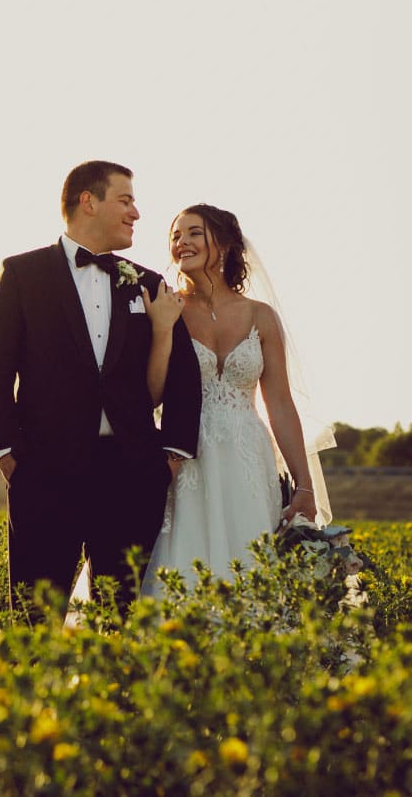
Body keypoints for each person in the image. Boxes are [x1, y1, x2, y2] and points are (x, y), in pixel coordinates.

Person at [0, 161, 202, 611]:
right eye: (125, 200)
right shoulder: (22, 275)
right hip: (43, 471)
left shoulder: (149, 284)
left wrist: (173, 453)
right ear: (88, 201)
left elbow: (183, 373)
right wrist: (7, 451)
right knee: (36, 615)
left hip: (131, 475)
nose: (136, 213)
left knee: (121, 615)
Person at [141, 204, 333, 593]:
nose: (182, 243)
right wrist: (162, 330)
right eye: (176, 236)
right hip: (186, 455)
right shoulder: (168, 308)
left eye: (194, 233)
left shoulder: (260, 317)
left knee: (252, 558)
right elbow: (152, 395)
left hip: (249, 456)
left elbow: (279, 404)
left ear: (225, 244)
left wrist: (304, 486)